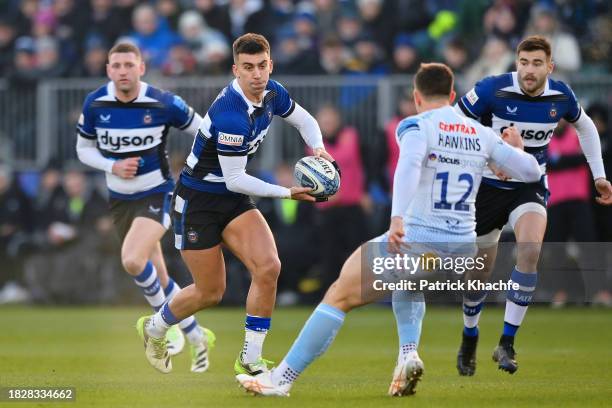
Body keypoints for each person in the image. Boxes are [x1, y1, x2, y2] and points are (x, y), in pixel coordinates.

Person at [234, 62, 542, 397]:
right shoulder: (481, 133)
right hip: (462, 248)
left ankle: (281, 379)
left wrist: (397, 219)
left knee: (338, 295)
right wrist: (518, 149)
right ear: (452, 96)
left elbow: (408, 165)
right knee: (408, 284)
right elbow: (529, 173)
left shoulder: (415, 125)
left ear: (416, 96)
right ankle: (408, 356)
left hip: (420, 239)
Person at [136, 33, 334, 375]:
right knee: (210, 292)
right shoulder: (230, 114)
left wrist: (319, 150)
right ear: (235, 70)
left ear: (270, 65)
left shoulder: (273, 91)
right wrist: (288, 192)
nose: (256, 74)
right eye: (248, 67)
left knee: (268, 267)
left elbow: (305, 120)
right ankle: (154, 328)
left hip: (230, 198)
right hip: (199, 201)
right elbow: (235, 179)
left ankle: (250, 358)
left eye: (262, 66)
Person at [454, 35, 612, 375]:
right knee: (479, 272)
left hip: (530, 185)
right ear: (516, 63)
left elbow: (585, 126)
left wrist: (598, 174)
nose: (528, 70)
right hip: (487, 188)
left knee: (530, 250)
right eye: (523, 62)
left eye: (537, 63)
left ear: (549, 67)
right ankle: (470, 334)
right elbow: (455, 124)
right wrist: (487, 152)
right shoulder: (491, 89)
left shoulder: (561, 96)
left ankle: (507, 342)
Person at [76, 42, 214, 373]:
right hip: (119, 199)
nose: (123, 71)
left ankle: (158, 329)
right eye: (116, 65)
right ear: (108, 70)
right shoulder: (96, 103)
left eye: (129, 64)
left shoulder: (163, 102)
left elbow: (205, 131)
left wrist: (198, 168)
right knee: (161, 276)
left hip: (157, 192)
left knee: (133, 259)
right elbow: (83, 149)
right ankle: (196, 336)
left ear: (141, 67)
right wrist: (113, 166)